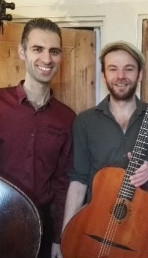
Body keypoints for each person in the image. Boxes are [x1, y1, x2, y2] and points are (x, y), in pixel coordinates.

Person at [62, 41, 148, 245]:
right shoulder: (85, 121)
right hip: (94, 228)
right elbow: (78, 181)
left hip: (141, 233)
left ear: (140, 75)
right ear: (103, 76)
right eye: (113, 69)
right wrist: (66, 234)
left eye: (129, 69)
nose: (121, 76)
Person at [0, 18, 76, 258]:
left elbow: (63, 182)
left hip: (42, 227)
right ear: (22, 52)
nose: (47, 59)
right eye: (37, 49)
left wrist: (58, 239)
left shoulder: (67, 118)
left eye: (54, 51)